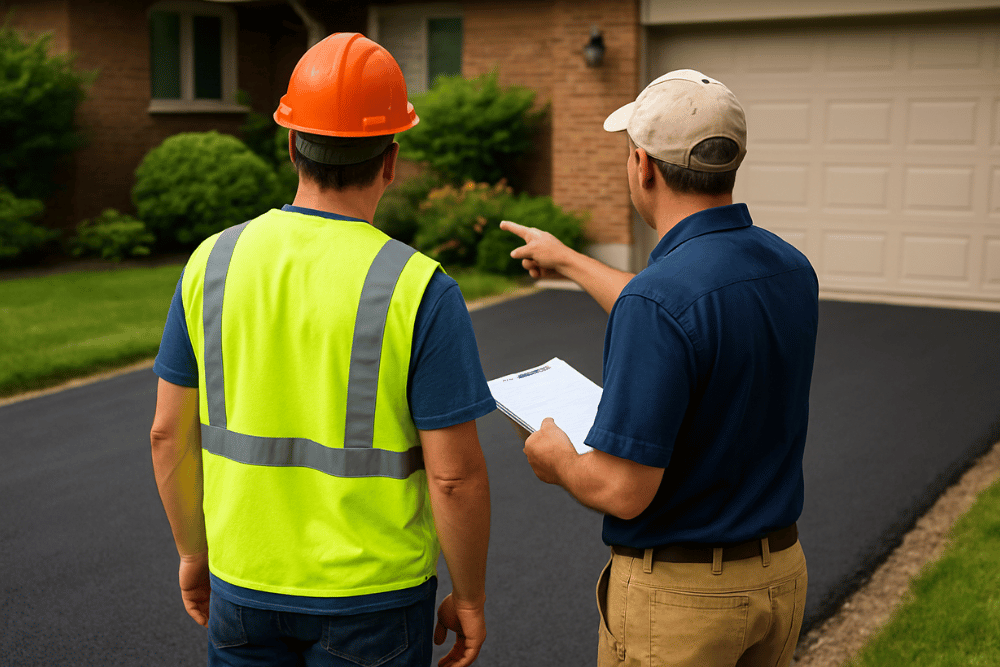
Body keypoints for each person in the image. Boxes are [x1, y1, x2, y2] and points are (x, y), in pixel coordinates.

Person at [149, 33, 493, 667]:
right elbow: (454, 476)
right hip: (373, 599)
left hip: (242, 583)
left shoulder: (211, 263)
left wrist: (195, 553)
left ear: (290, 146)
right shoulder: (419, 288)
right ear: (391, 160)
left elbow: (168, 436)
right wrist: (468, 595)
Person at [500, 69, 819, 667]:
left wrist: (558, 460)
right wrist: (568, 259)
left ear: (642, 165)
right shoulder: (789, 267)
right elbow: (684, 310)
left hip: (685, 603)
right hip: (780, 577)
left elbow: (623, 491)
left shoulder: (661, 300)